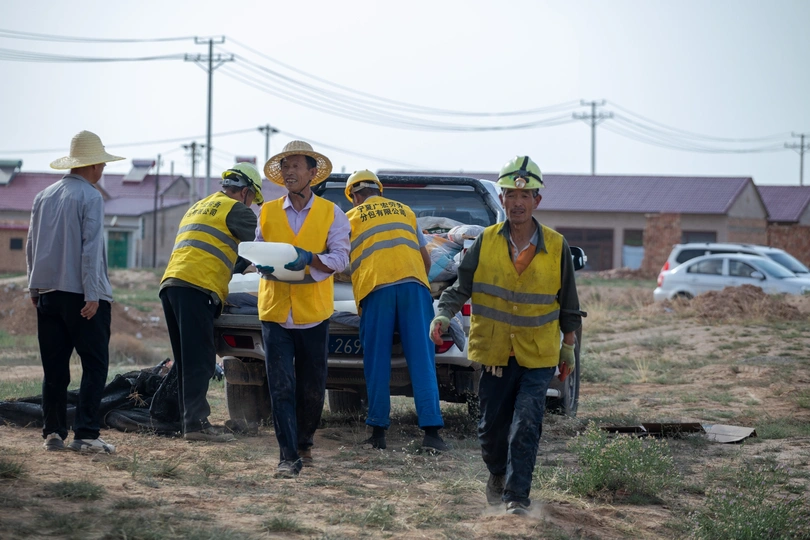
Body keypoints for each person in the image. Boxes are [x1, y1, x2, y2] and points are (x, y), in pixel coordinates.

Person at [430, 156, 582, 515]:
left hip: (538, 354)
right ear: (502, 199)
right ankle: (498, 474)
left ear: (537, 201)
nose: (517, 202)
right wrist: (443, 314)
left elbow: (569, 304)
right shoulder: (485, 242)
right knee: (491, 431)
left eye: (525, 195)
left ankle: (517, 498)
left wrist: (568, 348)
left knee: (527, 423)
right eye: (511, 194)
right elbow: (460, 288)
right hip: (495, 352)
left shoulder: (557, 245)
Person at [256, 140, 350, 478]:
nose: (289, 172)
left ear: (312, 173)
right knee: (280, 386)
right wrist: (262, 264)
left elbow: (340, 259)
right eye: (285, 166)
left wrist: (310, 258)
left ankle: (305, 441)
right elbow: (259, 249)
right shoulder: (267, 212)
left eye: (296, 165)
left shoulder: (331, 213)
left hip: (313, 313)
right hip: (275, 310)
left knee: (312, 387)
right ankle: (287, 457)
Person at [26, 130, 124, 454]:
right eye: (102, 164)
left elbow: (31, 244)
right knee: (95, 364)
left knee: (54, 368)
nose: (103, 169)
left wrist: (33, 286)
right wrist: (93, 294)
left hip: (48, 294)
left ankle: (53, 433)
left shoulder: (43, 196)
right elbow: (90, 248)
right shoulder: (91, 197)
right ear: (93, 165)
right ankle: (86, 434)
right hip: (82, 295)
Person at [343, 170, 448, 452]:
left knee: (377, 360)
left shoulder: (350, 218)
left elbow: (337, 261)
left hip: (377, 289)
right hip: (415, 287)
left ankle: (377, 433)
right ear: (379, 191)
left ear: (354, 196)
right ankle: (432, 435)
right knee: (422, 360)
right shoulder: (405, 211)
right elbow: (426, 261)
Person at [160, 162, 263, 442]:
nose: (251, 205)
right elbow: (262, 243)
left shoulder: (200, 206)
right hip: (197, 286)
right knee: (201, 360)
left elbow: (213, 248)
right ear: (245, 191)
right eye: (253, 198)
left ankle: (184, 420)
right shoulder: (237, 210)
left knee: (186, 359)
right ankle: (196, 425)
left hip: (172, 284)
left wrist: (239, 265)